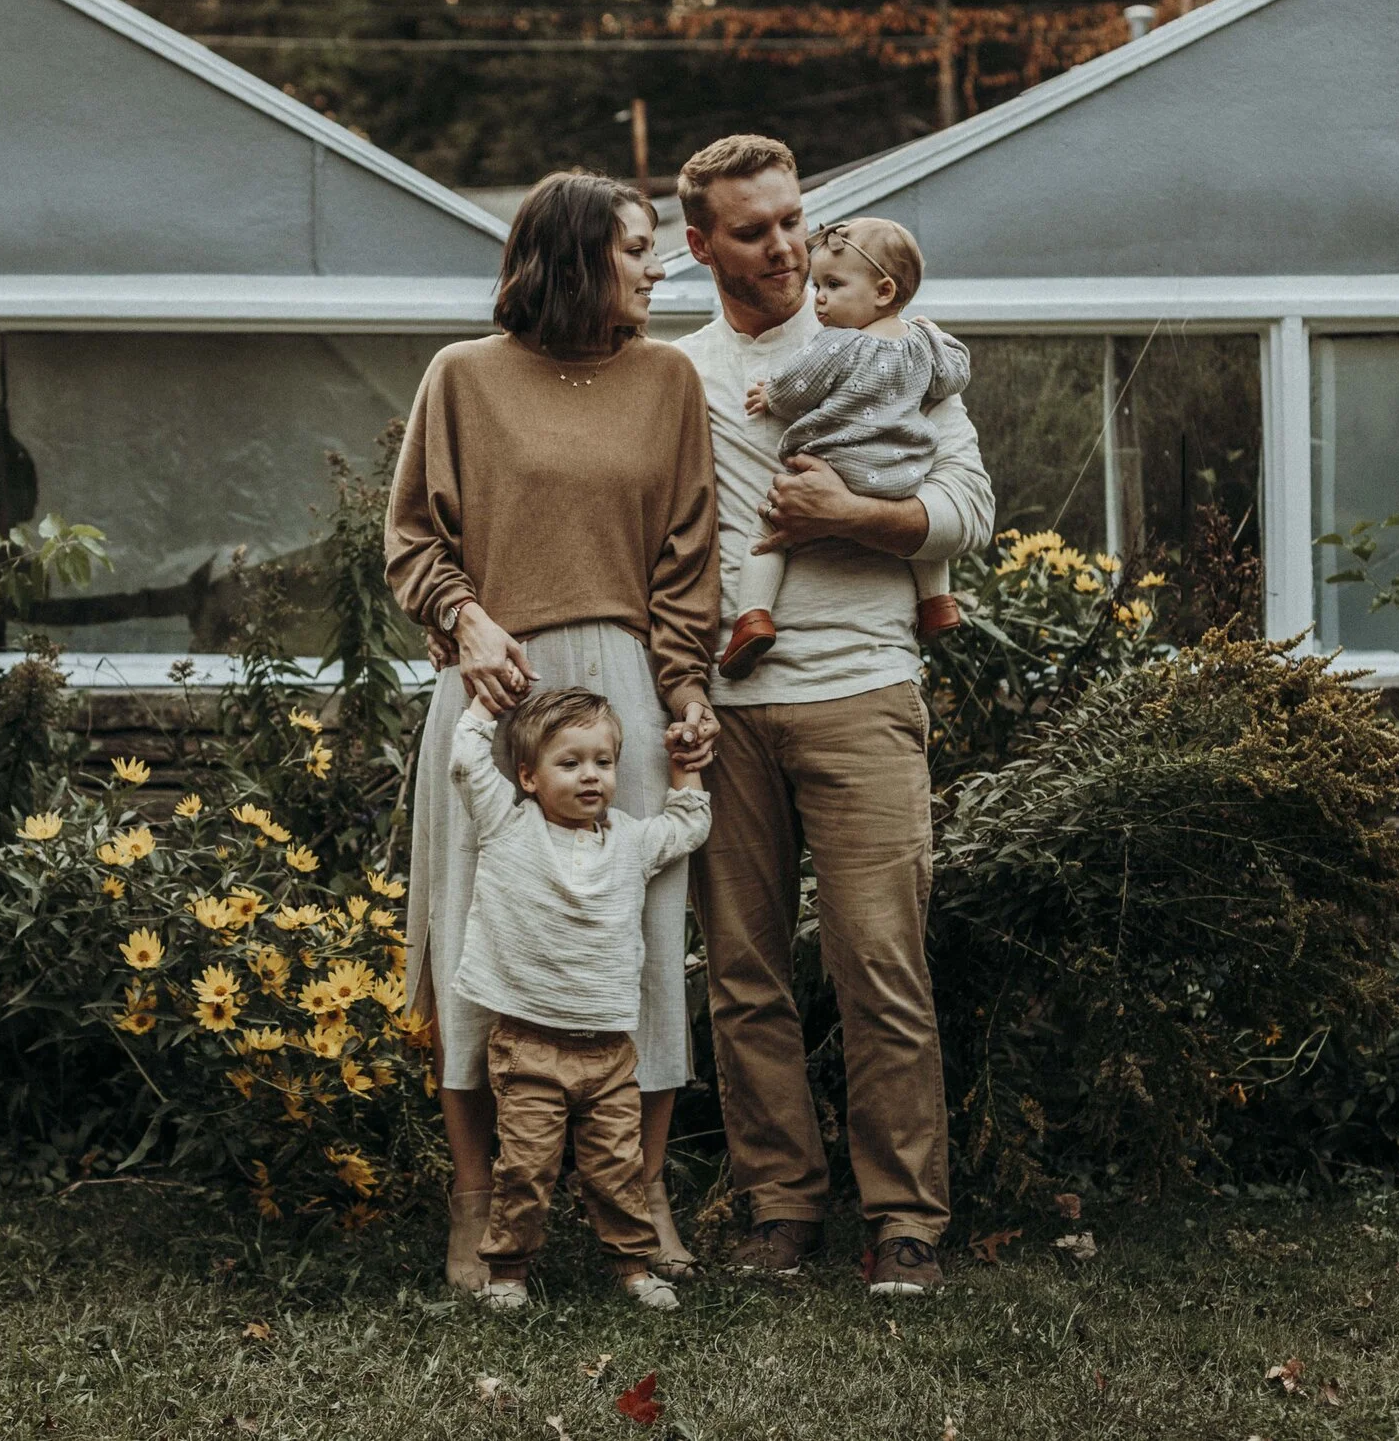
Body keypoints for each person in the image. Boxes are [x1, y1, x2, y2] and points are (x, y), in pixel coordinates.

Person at [386, 170, 723, 1295]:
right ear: (575, 257)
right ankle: (477, 1204)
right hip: (492, 691)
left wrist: (681, 687)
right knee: (478, 931)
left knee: (640, 935)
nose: (658, 265)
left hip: (623, 686)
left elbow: (685, 555)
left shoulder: (668, 379)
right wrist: (465, 614)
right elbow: (410, 541)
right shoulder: (462, 379)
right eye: (637, 247)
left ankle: (644, 1196)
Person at [670, 135, 995, 1298]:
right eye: (752, 230)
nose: (787, 248)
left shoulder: (884, 341)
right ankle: (778, 1204)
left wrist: (855, 512)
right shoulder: (677, 374)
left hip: (862, 693)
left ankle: (905, 1217)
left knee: (878, 962)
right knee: (744, 973)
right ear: (698, 245)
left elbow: (967, 506)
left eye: (795, 220)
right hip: (725, 708)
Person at [446, 686, 712, 1312]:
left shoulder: (631, 841)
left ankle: (634, 1267)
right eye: (569, 764)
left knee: (619, 1170)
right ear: (528, 777)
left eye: (603, 762)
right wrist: (484, 704)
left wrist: (684, 764)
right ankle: (508, 1273)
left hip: (610, 1052)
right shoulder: (507, 824)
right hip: (528, 1044)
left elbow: (689, 824)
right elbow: (464, 763)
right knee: (526, 1172)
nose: (590, 776)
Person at [723, 215, 972, 678]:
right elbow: (956, 375)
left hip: (839, 466)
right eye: (818, 284)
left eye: (832, 285)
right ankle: (937, 602)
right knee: (919, 543)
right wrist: (935, 333)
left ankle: (753, 616)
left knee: (770, 531)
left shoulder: (839, 344)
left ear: (882, 291)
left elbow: (799, 386)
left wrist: (770, 394)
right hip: (903, 475)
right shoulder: (922, 344)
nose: (817, 298)